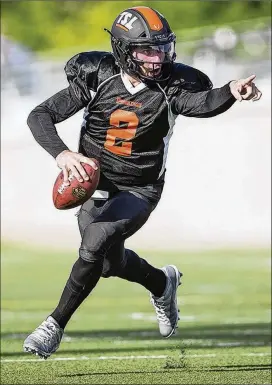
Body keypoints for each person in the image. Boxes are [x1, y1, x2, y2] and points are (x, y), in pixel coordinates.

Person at [23, 6, 262, 359]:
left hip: (139, 188)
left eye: (162, 48)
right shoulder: (97, 75)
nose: (157, 58)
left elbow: (204, 102)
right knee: (106, 263)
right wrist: (61, 154)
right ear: (123, 50)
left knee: (96, 240)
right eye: (147, 50)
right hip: (96, 185)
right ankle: (161, 283)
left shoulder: (172, 85)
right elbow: (40, 115)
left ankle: (53, 326)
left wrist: (231, 89)